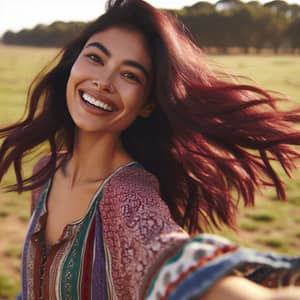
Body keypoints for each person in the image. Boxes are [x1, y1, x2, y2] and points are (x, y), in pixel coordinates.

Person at [0, 0, 300, 299]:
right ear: (73, 64)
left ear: (148, 104)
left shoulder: (125, 196)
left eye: (130, 75)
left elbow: (173, 259)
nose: (103, 81)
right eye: (95, 58)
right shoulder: (47, 169)